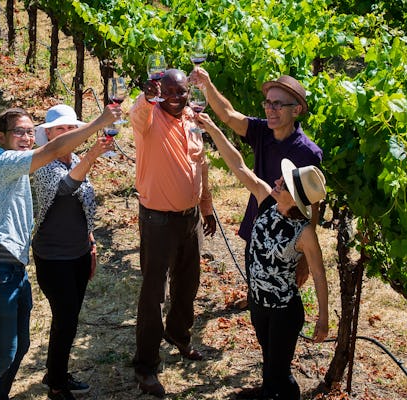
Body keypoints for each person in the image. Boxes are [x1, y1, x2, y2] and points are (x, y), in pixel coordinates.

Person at [0, 104, 120, 400]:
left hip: (14, 269)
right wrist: (98, 122)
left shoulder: (19, 166)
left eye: (29, 132)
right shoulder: (5, 163)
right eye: (19, 132)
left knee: (20, 347)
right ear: (1, 137)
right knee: (3, 353)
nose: (26, 137)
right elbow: (52, 157)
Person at [195, 112, 329, 400]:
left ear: (295, 199)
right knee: (271, 364)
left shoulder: (303, 232)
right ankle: (272, 392)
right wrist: (214, 129)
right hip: (259, 304)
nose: (279, 181)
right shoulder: (266, 199)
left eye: (286, 184)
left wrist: (324, 318)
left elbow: (319, 274)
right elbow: (239, 166)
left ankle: (278, 394)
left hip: (284, 311)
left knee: (278, 372)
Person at [190, 68, 322, 287]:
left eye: (278, 104)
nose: (270, 109)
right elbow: (228, 115)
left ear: (296, 110)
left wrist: (306, 259)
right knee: (255, 282)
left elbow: (313, 205)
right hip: (258, 227)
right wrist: (207, 84)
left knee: (282, 295)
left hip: (287, 241)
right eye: (268, 103)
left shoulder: (308, 153)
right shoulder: (263, 131)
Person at [130, 68, 217, 397]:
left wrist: (206, 208)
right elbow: (135, 113)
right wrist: (145, 95)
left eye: (182, 92)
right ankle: (146, 366)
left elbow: (201, 166)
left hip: (189, 217)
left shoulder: (193, 120)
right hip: (157, 221)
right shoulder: (148, 118)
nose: (177, 97)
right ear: (159, 91)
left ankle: (179, 335)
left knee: (189, 282)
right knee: (154, 294)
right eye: (170, 91)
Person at [30, 104, 113, 400]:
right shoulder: (43, 163)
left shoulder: (75, 158)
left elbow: (84, 205)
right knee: (65, 319)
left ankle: (56, 372)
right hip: (54, 258)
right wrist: (92, 156)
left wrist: (90, 243)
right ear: (48, 134)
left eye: (70, 129)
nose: (66, 134)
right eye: (60, 129)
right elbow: (65, 189)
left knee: (70, 318)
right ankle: (56, 384)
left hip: (78, 254)